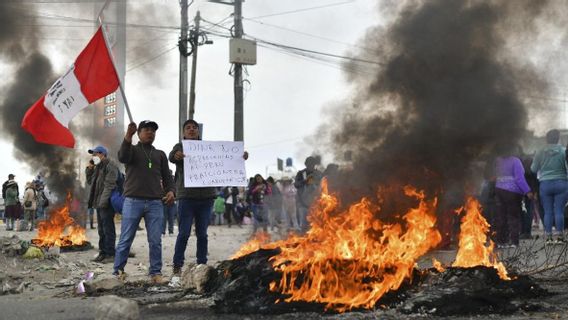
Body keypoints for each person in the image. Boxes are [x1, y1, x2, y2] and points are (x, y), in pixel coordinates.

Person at [113, 121, 175, 283]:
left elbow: (167, 177)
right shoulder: (132, 150)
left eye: (153, 131)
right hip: (133, 201)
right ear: (139, 133)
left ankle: (155, 272)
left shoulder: (160, 154)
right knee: (126, 239)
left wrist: (171, 191)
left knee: (155, 241)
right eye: (146, 130)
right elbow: (122, 156)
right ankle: (118, 271)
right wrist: (128, 135)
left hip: (155, 202)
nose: (150, 133)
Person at [531, 129, 568, 244]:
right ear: (558, 139)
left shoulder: (540, 151)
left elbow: (533, 169)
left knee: (548, 211)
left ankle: (548, 237)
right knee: (559, 210)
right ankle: (560, 236)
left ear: (546, 138)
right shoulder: (563, 151)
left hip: (545, 184)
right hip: (561, 183)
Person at [493, 144, 533, 248]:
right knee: (513, 216)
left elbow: (493, 175)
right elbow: (519, 179)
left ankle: (501, 241)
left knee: (501, 216)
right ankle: (514, 241)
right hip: (512, 192)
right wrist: (527, 191)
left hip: (499, 189)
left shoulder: (497, 161)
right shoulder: (515, 161)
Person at [86, 145, 119, 263]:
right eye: (93, 154)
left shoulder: (111, 166)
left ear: (103, 154)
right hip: (99, 203)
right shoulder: (98, 168)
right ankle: (103, 252)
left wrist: (103, 202)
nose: (93, 156)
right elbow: (91, 182)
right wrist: (89, 169)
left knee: (108, 229)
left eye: (95, 154)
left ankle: (111, 254)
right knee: (101, 229)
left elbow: (110, 185)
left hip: (107, 203)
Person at [294, 156, 322, 232]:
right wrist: (305, 181)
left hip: (316, 203)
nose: (310, 165)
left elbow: (322, 186)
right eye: (309, 164)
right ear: (306, 164)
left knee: (317, 224)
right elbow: (296, 185)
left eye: (312, 164)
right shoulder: (301, 173)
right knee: (304, 225)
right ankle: (304, 241)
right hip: (303, 203)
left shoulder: (318, 173)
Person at [162, 170, 177, 236]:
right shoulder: (161, 183)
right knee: (163, 218)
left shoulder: (174, 184)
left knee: (171, 218)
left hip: (172, 203)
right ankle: (163, 232)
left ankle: (171, 232)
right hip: (164, 203)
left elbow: (176, 193)